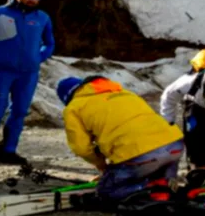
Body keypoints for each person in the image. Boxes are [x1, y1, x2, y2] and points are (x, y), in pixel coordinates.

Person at [57, 75, 186, 203]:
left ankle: (152, 187)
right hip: (174, 145)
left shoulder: (74, 107)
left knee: (106, 192)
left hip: (140, 155)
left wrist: (103, 166)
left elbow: (82, 149)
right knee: (150, 171)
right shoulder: (125, 94)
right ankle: (166, 182)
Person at [0, 0, 55, 165]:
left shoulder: (42, 17)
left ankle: (8, 150)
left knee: (19, 111)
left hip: (28, 73)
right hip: (3, 70)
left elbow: (49, 42)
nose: (32, 0)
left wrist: (39, 57)